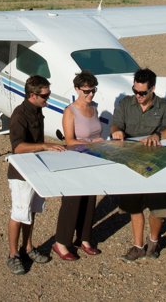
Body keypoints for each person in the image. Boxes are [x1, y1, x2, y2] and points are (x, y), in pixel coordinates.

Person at [110, 68, 166, 261]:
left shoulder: (164, 106)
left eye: (142, 92)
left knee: (158, 209)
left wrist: (158, 135)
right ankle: (138, 246)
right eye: (135, 91)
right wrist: (116, 131)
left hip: (156, 164)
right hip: (131, 162)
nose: (138, 96)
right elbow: (116, 124)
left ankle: (154, 242)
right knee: (134, 207)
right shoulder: (125, 103)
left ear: (152, 89)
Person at [6, 75, 65, 275]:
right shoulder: (19, 115)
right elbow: (17, 147)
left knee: (30, 212)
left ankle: (28, 247)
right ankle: (13, 254)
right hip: (21, 173)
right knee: (19, 213)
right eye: (45, 95)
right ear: (32, 95)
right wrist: (44, 146)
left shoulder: (38, 110)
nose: (48, 98)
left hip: (35, 170)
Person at [52, 71, 104, 261]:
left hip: (92, 160)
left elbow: (96, 133)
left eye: (93, 90)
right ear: (77, 89)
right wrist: (92, 142)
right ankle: (61, 242)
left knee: (89, 201)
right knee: (72, 202)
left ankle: (84, 239)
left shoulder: (94, 108)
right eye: (86, 91)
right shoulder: (70, 111)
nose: (90, 94)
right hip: (75, 160)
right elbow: (69, 141)